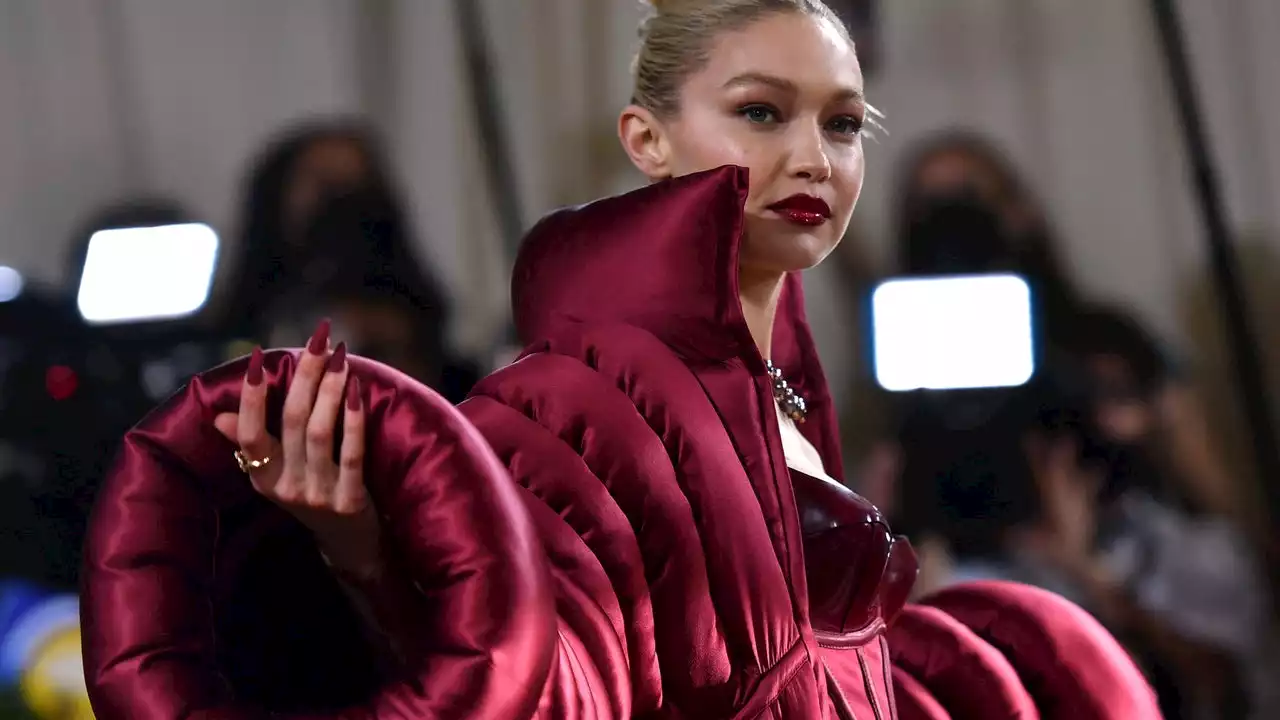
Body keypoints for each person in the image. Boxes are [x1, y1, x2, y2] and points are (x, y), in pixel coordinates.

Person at [81, 2, 1161, 718]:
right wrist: (364, 550)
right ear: (645, 140)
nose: (809, 158)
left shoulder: (787, 383)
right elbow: (539, 669)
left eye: (841, 124)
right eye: (757, 113)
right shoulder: (568, 395)